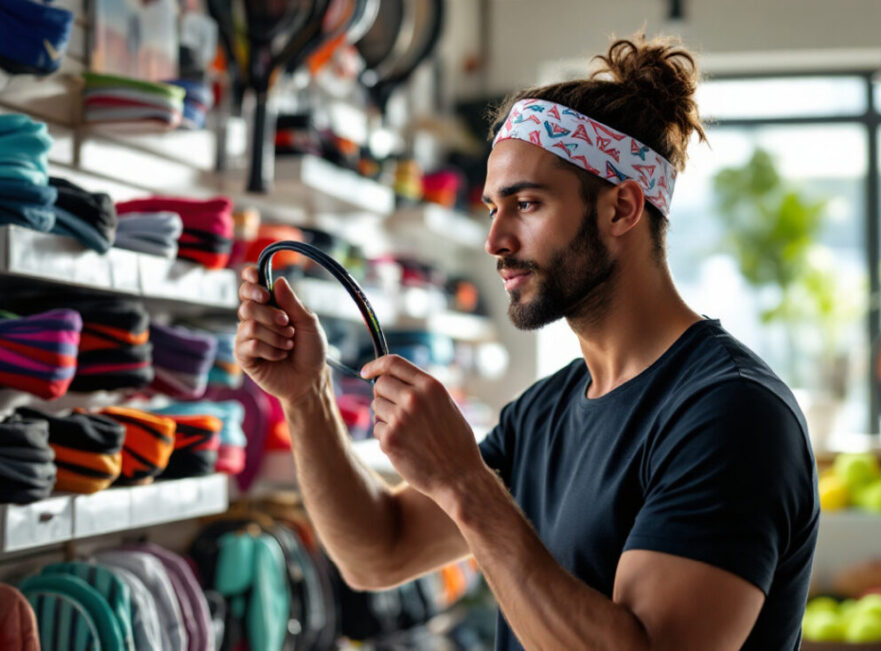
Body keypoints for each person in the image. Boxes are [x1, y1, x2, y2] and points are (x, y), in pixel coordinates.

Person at [235, 34, 819, 650]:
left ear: (621, 209)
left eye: (528, 204)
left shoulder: (729, 414)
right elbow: (377, 552)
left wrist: (466, 483)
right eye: (493, 208)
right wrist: (307, 396)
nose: (495, 240)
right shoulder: (544, 412)